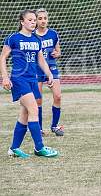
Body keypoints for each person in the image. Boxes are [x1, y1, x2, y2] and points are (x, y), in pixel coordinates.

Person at [1, 9, 58, 158]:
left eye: (34, 20)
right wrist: (5, 77)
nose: (33, 22)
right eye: (30, 20)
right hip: (19, 79)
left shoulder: (35, 39)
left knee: (25, 114)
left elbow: (40, 59)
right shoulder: (13, 38)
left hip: (33, 79)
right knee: (34, 109)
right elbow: (2, 58)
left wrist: (49, 74)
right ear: (22, 22)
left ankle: (14, 148)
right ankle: (39, 148)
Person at [35, 8, 64, 136]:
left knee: (57, 96)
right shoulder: (32, 35)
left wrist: (56, 54)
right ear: (35, 20)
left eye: (45, 18)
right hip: (36, 69)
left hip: (52, 68)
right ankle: (39, 129)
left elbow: (59, 52)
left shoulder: (53, 34)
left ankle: (54, 126)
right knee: (38, 100)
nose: (43, 21)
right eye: (40, 18)